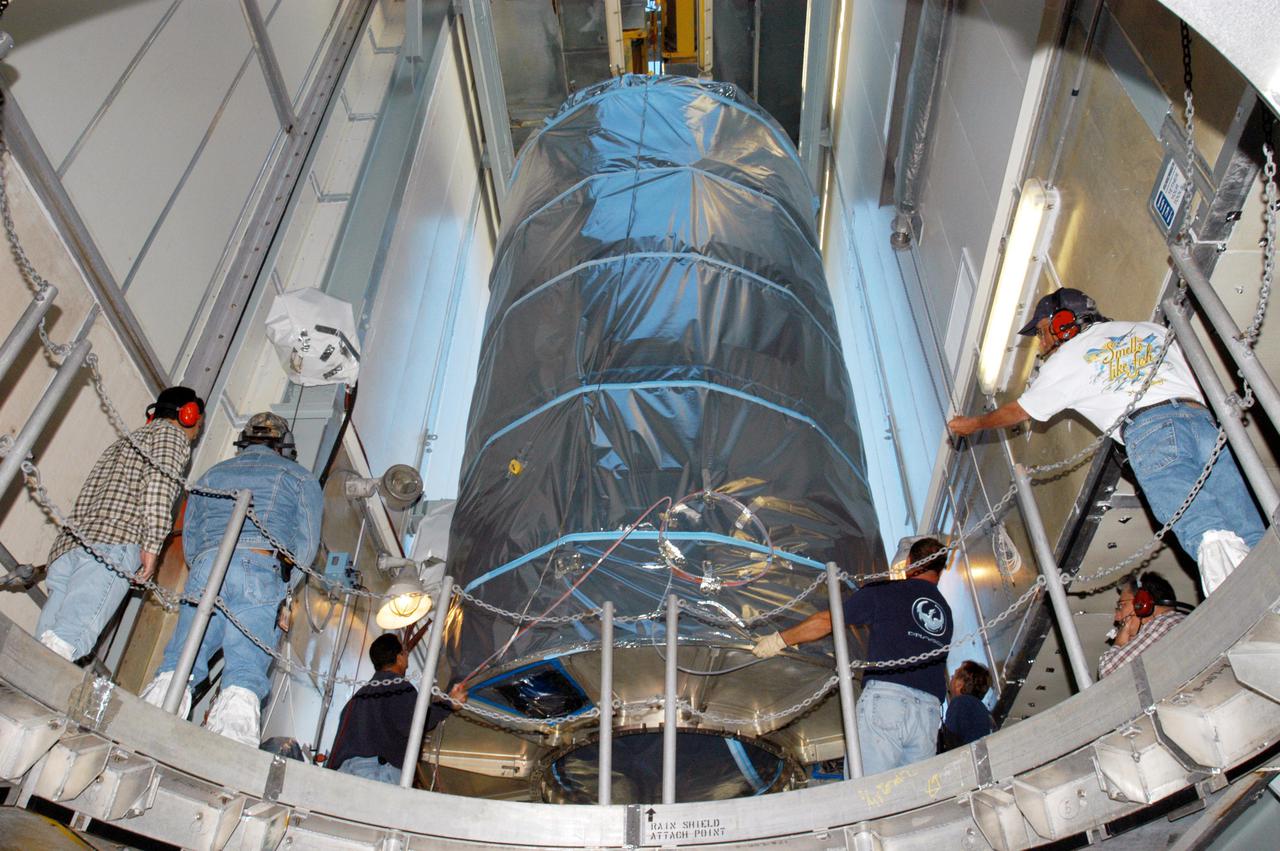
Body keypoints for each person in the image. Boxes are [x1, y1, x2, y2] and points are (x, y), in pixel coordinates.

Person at [948, 288, 1265, 596]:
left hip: (1150, 432)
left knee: (1202, 527)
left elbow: (1020, 411)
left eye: (1044, 332)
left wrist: (972, 425)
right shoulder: (1149, 329)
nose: (1042, 345)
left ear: (1065, 322)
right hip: (1207, 425)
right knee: (1249, 525)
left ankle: (1242, 606)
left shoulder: (1066, 358)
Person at [140, 412, 323, 745]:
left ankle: (146, 731)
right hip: (263, 564)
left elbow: (192, 535)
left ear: (244, 440)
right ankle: (227, 749)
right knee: (246, 669)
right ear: (284, 445)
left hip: (209, 564)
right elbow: (307, 543)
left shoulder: (213, 473)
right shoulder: (299, 477)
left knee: (183, 657)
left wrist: (204, 565)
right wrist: (284, 584)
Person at [751, 537, 954, 775]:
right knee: (908, 801)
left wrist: (779, 640)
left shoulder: (888, 592)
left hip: (889, 703)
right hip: (928, 716)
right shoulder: (946, 612)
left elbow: (828, 620)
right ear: (941, 569)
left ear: (909, 561)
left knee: (865, 793)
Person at [35, 387, 203, 662]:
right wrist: (151, 548)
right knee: (69, 640)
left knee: (46, 640)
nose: (196, 432)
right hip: (111, 545)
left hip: (70, 547)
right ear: (188, 414)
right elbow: (159, 488)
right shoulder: (172, 437)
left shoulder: (127, 440)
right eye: (199, 423)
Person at [327, 633, 468, 784]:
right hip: (374, 772)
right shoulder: (398, 687)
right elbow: (415, 722)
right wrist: (449, 704)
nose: (407, 656)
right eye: (405, 652)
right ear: (399, 658)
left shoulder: (356, 699)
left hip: (343, 774)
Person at [1098, 572, 1188, 679]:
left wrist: (1120, 642)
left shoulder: (1165, 624)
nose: (1117, 617)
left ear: (1142, 604)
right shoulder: (1171, 628)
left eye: (1121, 606)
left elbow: (1108, 671)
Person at [938, 660, 993, 752]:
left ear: (960, 684)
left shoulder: (960, 703)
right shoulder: (982, 710)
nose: (951, 679)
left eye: (953, 676)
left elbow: (950, 744)